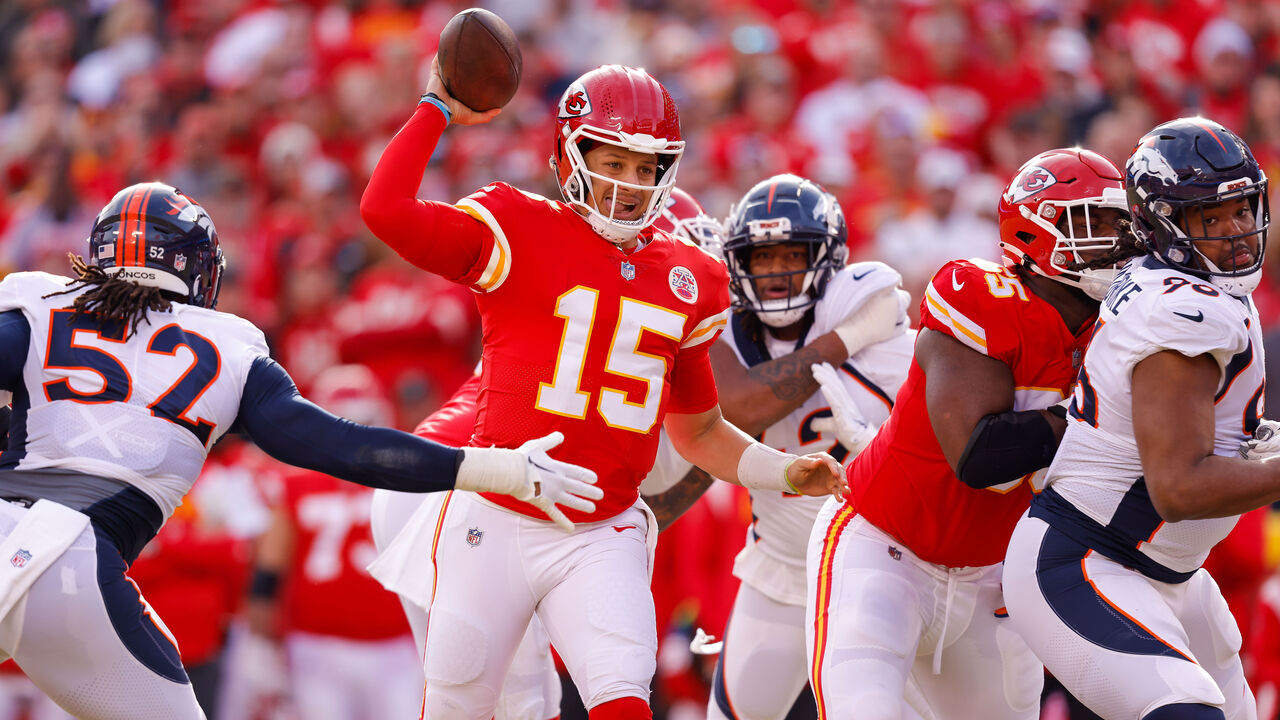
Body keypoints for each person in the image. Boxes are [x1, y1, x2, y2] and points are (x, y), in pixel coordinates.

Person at [0, 181, 601, 720]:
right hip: (63, 560)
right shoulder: (225, 352)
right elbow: (350, 450)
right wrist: (502, 468)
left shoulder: (37, 310)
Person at [359, 61, 847, 720]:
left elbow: (700, 432)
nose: (629, 184)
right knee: (470, 702)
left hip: (600, 528)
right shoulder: (517, 224)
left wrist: (788, 472)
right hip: (491, 505)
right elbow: (385, 211)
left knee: (621, 694)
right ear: (571, 152)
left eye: (648, 168)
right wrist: (435, 110)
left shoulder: (689, 277)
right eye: (615, 159)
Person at [368, 185, 725, 720]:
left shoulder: (573, 292)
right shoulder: (636, 307)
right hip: (481, 496)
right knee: (523, 701)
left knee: (481, 699)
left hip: (429, 476)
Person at [805, 148, 1136, 720]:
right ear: (1035, 233)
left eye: (1119, 223)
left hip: (995, 578)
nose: (1115, 239)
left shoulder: (1124, 324)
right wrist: (1095, 415)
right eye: (1095, 223)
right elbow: (979, 455)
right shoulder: (979, 292)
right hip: (884, 546)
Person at [1002, 119, 1272, 720]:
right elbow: (1178, 488)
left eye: (1242, 209)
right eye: (1210, 217)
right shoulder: (1183, 313)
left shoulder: (1195, 288)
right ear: (1163, 224)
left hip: (1172, 573)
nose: (1235, 232)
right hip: (1088, 560)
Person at [683, 173, 914, 720]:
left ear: (827, 257)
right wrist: (845, 341)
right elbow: (742, 407)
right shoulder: (730, 332)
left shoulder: (881, 325)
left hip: (882, 567)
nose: (778, 271)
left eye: (792, 252)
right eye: (761, 259)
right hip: (781, 569)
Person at [246, 364, 423, 720]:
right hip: (336, 644)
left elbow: (266, 575)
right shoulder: (409, 476)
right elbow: (267, 571)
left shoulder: (293, 482)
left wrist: (261, 646)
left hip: (351, 645)